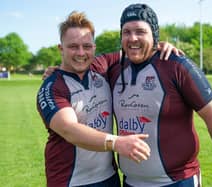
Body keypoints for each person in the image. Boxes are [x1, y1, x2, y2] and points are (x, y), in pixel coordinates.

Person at [106, 3, 212, 187]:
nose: (133, 38)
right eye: (126, 32)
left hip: (178, 181)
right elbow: (78, 65)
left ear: (154, 34)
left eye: (140, 31)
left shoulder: (176, 65)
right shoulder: (113, 70)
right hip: (131, 182)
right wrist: (55, 72)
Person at [38, 11, 182, 187]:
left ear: (94, 47)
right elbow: (69, 129)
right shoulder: (52, 87)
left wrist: (158, 45)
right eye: (73, 46)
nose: (81, 53)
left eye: (87, 46)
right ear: (61, 48)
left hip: (109, 179)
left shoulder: (102, 66)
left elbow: (137, 49)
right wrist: (116, 142)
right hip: (70, 181)